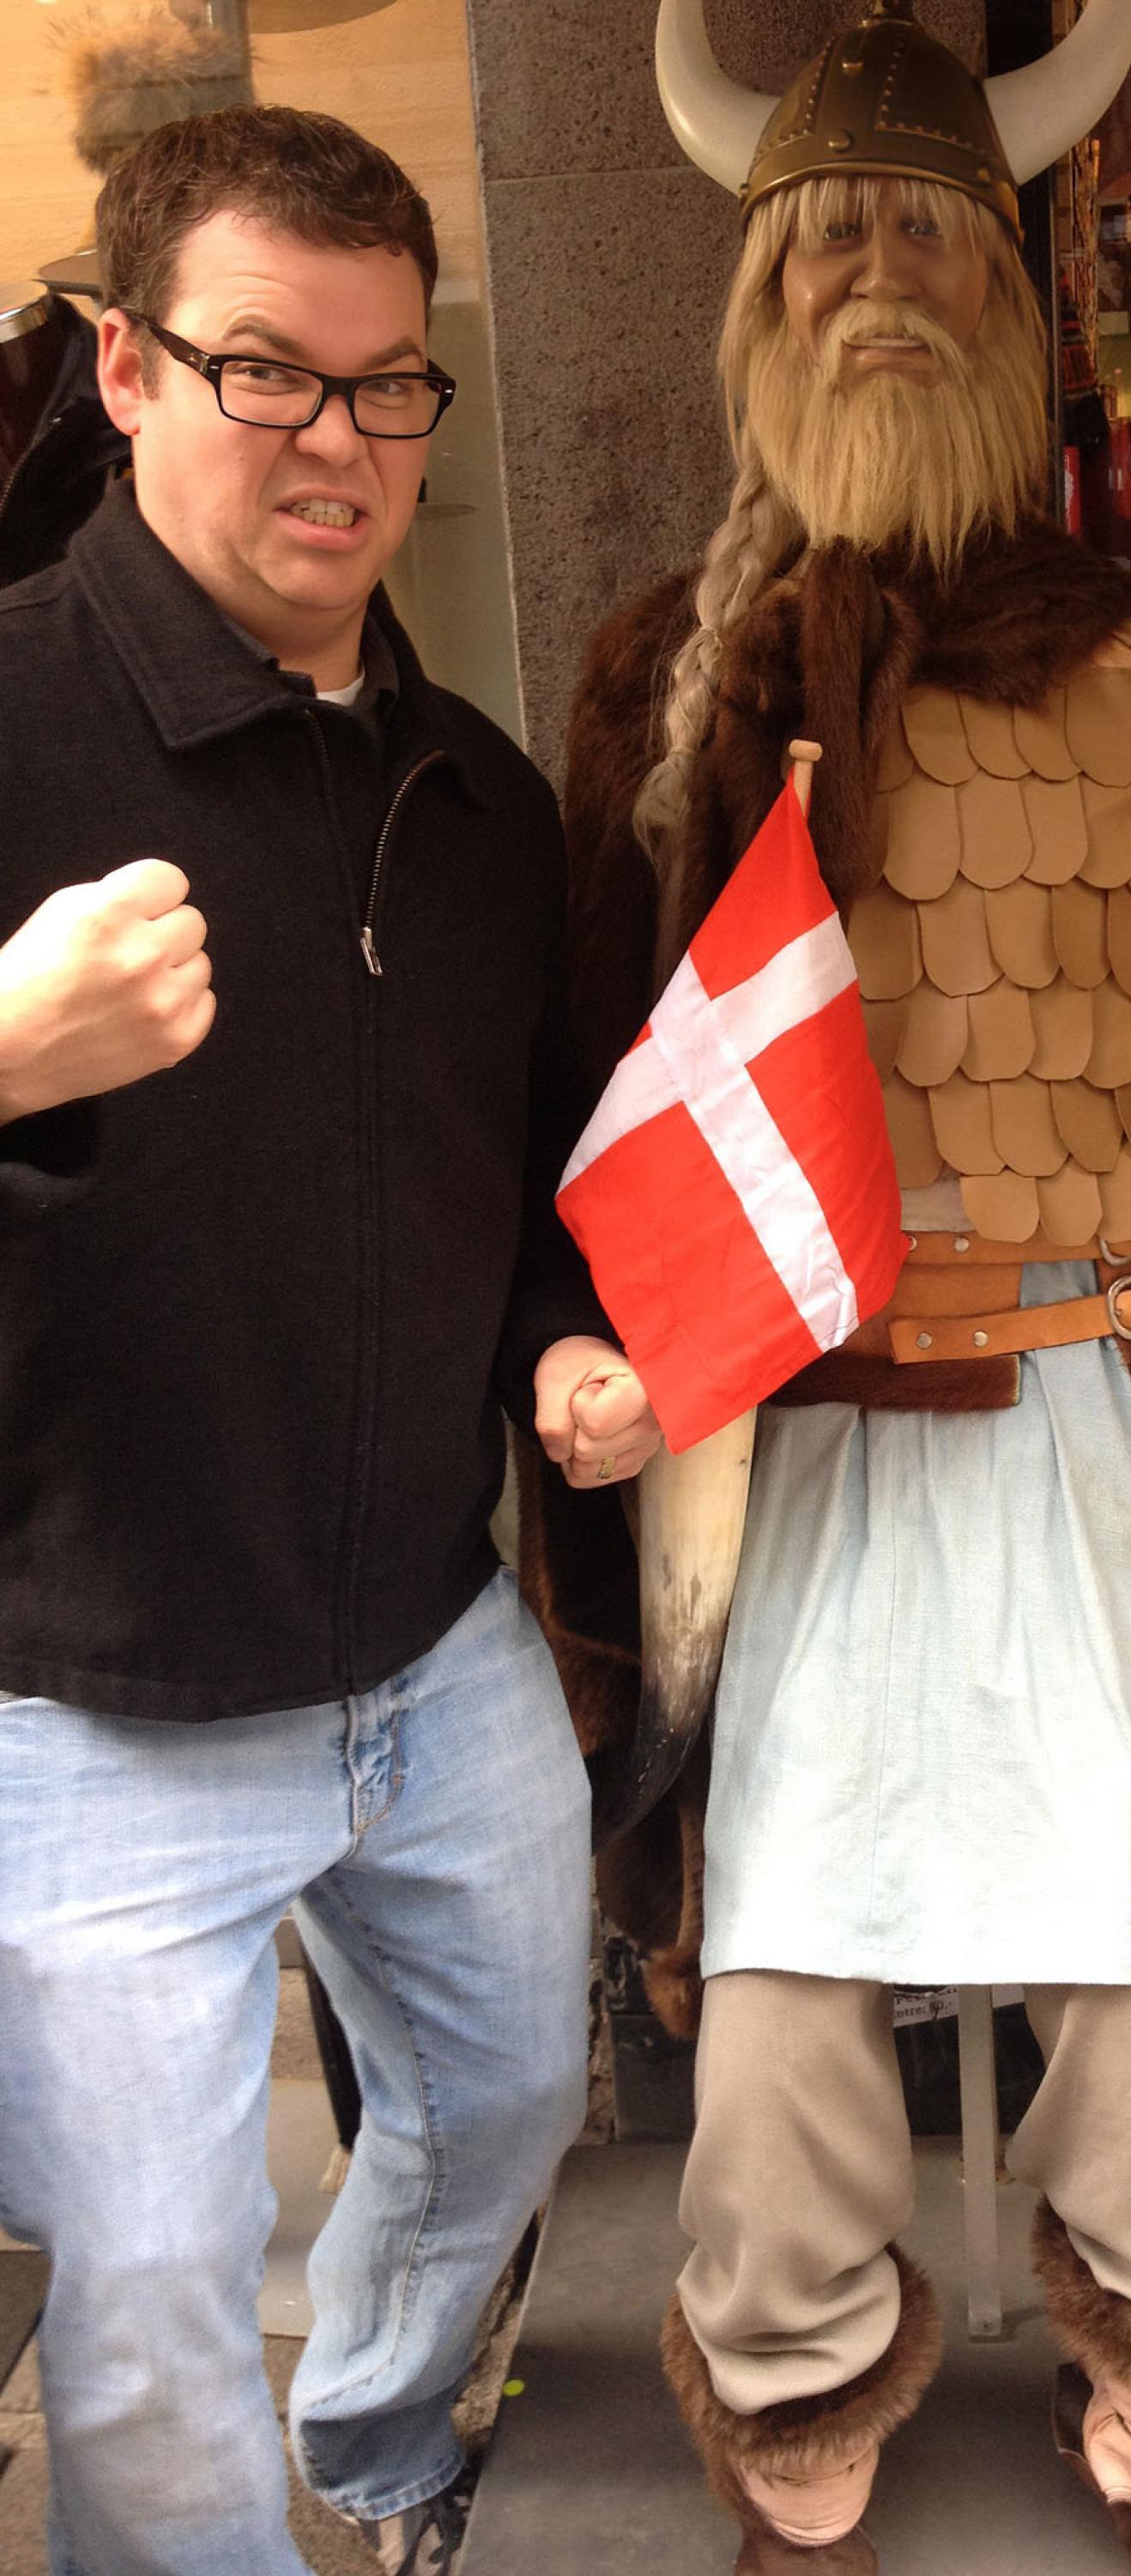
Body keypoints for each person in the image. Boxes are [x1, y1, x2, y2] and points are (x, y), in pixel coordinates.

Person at [524, 7, 1131, 2569]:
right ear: (754, 292)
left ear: (1009, 290)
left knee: (1116, 1957)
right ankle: (789, 2347)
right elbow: (599, 1074)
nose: (876, 277)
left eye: (922, 236)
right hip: (803, 1430)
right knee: (783, 1966)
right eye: (825, 241)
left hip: (1095, 1397)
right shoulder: (673, 670)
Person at [0, 104, 658, 2576]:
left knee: (502, 2111)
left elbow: (525, 1192)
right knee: (156, 2316)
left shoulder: (478, 801)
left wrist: (562, 1347)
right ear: (123, 365)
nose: (344, 445)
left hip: (429, 1643)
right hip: (89, 1707)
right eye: (270, 371)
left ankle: (385, 2437)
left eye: (393, 390)